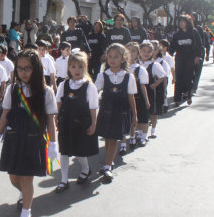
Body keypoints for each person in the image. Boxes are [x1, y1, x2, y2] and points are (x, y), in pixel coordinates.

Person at [0, 49, 58, 217]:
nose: (23, 72)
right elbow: (6, 113)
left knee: (25, 177)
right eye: (20, 68)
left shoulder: (46, 92)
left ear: (36, 69)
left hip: (33, 139)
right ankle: (25, 194)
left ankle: (26, 212)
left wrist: (53, 143)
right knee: (13, 176)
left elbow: (51, 120)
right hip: (14, 138)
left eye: (28, 68)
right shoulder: (12, 89)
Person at [54, 51, 99, 192]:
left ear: (85, 67)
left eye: (80, 67)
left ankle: (85, 169)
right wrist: (56, 117)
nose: (77, 70)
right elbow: (59, 102)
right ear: (69, 68)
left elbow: (93, 107)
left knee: (79, 150)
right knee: (64, 151)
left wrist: (93, 123)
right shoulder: (64, 84)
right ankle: (63, 180)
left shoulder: (89, 86)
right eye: (73, 67)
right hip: (66, 122)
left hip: (81, 123)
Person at [95, 43, 137, 182]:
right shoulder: (102, 76)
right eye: (110, 57)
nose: (112, 60)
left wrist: (134, 116)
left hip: (120, 112)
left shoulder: (128, 77)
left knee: (113, 138)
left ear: (123, 59)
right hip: (106, 111)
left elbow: (131, 96)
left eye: (116, 57)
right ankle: (109, 161)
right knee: (108, 138)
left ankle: (108, 166)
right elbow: (95, 92)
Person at [169, 15, 202, 106]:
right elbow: (172, 47)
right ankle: (177, 99)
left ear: (187, 22)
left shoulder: (194, 32)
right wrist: (169, 55)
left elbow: (199, 45)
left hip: (190, 58)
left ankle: (188, 96)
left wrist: (197, 56)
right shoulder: (177, 34)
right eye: (180, 21)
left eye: (183, 21)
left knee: (188, 77)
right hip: (179, 58)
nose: (181, 23)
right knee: (178, 77)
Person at [125, 42, 150, 151]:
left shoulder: (140, 69)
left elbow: (143, 86)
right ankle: (132, 135)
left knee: (142, 117)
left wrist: (147, 100)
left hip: (138, 97)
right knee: (130, 118)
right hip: (126, 98)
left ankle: (143, 136)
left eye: (133, 51)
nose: (130, 53)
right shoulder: (122, 68)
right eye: (128, 51)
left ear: (138, 53)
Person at [159, 39, 175, 113]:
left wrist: (174, 77)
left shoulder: (168, 57)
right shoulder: (157, 56)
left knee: (164, 90)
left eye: (160, 45)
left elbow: (172, 68)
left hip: (165, 76)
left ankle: (165, 105)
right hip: (158, 76)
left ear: (165, 47)